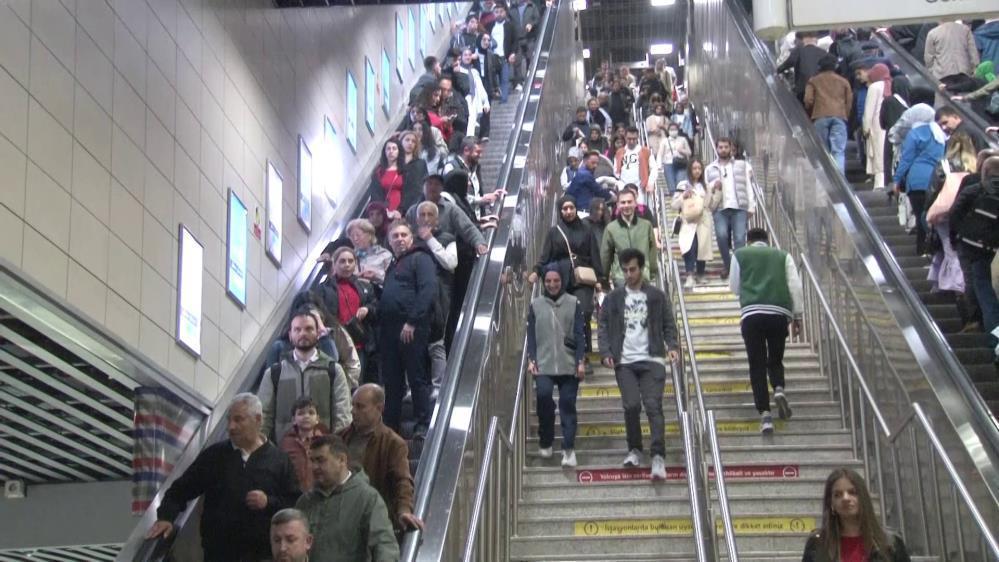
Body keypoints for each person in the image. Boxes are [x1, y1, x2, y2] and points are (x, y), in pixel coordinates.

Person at [147, 394, 301, 561]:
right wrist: (166, 517)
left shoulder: (279, 460)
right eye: (229, 420)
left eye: (238, 419)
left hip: (262, 555)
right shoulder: (214, 456)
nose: (231, 427)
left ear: (258, 419)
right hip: (218, 554)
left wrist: (268, 502)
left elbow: (294, 504)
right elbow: (180, 490)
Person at [597, 248, 680, 480]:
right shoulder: (613, 298)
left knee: (653, 405)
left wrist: (672, 346)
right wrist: (605, 352)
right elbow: (603, 326)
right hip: (624, 361)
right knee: (631, 405)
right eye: (624, 270)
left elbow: (668, 323)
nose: (629, 274)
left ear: (641, 268)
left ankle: (657, 455)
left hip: (652, 358)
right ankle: (634, 449)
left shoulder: (656, 296)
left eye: (632, 269)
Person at [729, 227, 803, 434]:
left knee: (756, 364)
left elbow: (734, 287)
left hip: (752, 314)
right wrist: (797, 316)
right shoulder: (782, 255)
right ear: (767, 240)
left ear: (748, 240)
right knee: (776, 358)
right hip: (778, 314)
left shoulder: (740, 254)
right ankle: (778, 387)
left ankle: (765, 415)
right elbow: (795, 286)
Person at [296, 435, 399, 562]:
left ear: (342, 460)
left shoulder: (367, 498)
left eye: (320, 460)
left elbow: (384, 544)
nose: (314, 467)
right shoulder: (305, 501)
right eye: (312, 461)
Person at [379, 221, 438, 436]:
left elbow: (428, 290)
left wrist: (412, 321)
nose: (400, 239)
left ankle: (424, 425)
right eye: (395, 236)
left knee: (417, 377)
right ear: (389, 241)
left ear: (411, 238)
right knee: (392, 380)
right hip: (389, 332)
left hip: (411, 328)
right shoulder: (393, 265)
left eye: (404, 234)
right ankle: (391, 427)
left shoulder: (420, 258)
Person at [339, 384, 423, 533]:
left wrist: (404, 510)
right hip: (341, 516)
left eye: (360, 407)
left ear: (379, 409)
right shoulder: (341, 437)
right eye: (352, 406)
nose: (353, 411)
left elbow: (402, 480)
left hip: (371, 520)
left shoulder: (393, 443)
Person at [260, 309, 353, 441]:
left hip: (323, 453)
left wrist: (335, 447)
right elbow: (264, 416)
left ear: (318, 333)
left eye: (309, 329)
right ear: (290, 335)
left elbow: (343, 415)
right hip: (284, 453)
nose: (303, 333)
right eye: (297, 329)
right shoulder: (275, 373)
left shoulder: (333, 370)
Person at [528, 264, 586, 468]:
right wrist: (531, 358)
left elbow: (580, 334)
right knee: (543, 398)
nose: (552, 284)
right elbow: (531, 336)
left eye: (556, 281)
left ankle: (568, 449)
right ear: (544, 282)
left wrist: (580, 361)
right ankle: (546, 440)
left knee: (568, 405)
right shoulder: (535, 305)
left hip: (568, 364)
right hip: (543, 364)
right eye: (549, 281)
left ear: (562, 281)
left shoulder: (573, 303)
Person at [531, 195, 604, 354]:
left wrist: (599, 279)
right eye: (565, 208)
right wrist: (536, 271)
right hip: (560, 281)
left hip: (582, 278)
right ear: (560, 210)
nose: (569, 211)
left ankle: (584, 352)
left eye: (571, 207)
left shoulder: (586, 230)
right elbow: (546, 256)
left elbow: (594, 254)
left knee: (583, 311)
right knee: (563, 316)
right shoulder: (554, 232)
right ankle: (570, 353)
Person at [802, 468, 911, 562]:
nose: (845, 498)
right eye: (837, 495)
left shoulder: (891, 543)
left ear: (863, 498)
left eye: (852, 492)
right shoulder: (817, 544)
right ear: (831, 504)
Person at [325, 247, 379, 385]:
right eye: (342, 261)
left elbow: (376, 306)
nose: (347, 265)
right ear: (335, 263)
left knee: (356, 385)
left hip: (360, 343)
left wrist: (367, 309)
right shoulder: (324, 288)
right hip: (335, 343)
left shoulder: (364, 286)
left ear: (355, 264)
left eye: (350, 261)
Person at [893, 115, 946, 256]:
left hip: (917, 180)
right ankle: (934, 253)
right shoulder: (941, 135)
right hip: (937, 180)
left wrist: (897, 180)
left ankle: (923, 250)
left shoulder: (915, 133)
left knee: (920, 216)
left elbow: (906, 159)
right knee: (932, 217)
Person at [706, 137, 756, 278]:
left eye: (726, 147)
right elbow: (707, 190)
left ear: (730, 148)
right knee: (721, 236)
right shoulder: (710, 168)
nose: (723, 150)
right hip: (719, 208)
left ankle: (739, 269)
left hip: (739, 207)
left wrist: (751, 206)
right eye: (720, 147)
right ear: (716, 149)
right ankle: (728, 266)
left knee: (740, 238)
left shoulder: (742, 165)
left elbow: (748, 185)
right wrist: (713, 186)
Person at [805, 55, 853, 173]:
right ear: (835, 66)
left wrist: (810, 112)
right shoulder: (843, 81)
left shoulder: (813, 81)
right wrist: (845, 114)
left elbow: (808, 100)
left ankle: (825, 180)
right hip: (839, 116)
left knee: (822, 151)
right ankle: (840, 180)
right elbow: (849, 101)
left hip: (820, 116)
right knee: (838, 151)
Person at [600, 188, 657, 287]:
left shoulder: (646, 225)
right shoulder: (611, 228)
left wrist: (651, 271)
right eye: (623, 202)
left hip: (643, 275)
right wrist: (604, 276)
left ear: (635, 203)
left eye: (629, 202)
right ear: (618, 205)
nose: (626, 205)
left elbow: (652, 250)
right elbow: (605, 255)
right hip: (621, 277)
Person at [672, 160, 713, 288]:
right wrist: (683, 196)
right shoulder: (683, 185)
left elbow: (708, 204)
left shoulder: (706, 186)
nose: (696, 171)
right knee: (689, 247)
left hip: (703, 220)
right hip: (687, 221)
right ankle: (690, 275)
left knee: (702, 247)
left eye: (699, 168)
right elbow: (673, 205)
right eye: (694, 168)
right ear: (690, 169)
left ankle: (700, 274)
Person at [279, 396, 328, 491]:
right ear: (293, 420)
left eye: (311, 413)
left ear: (317, 418)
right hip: (293, 494)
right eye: (301, 413)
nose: (306, 416)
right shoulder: (286, 443)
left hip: (320, 493)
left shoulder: (325, 441)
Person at [862, 63, 892, 189]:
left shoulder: (874, 87)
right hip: (889, 125)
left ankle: (879, 184)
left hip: (876, 125)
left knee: (878, 154)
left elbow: (869, 110)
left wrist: (866, 128)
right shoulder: (891, 84)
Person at [777, 31, 828, 102]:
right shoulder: (823, 53)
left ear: (803, 39)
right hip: (819, 89)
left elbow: (789, 62)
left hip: (802, 88)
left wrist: (778, 70)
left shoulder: (799, 50)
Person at [347, 218, 394, 286]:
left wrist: (376, 277)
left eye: (358, 235)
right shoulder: (348, 258)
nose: (355, 239)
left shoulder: (384, 255)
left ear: (369, 235)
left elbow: (392, 282)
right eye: (351, 236)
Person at [369, 139, 409, 214]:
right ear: (384, 152)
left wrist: (400, 210)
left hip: (401, 210)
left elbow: (408, 193)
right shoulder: (378, 172)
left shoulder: (405, 171)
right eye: (388, 149)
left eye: (394, 148)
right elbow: (375, 193)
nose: (391, 151)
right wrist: (383, 210)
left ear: (399, 151)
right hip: (383, 210)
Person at [486, 1, 516, 104]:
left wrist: (513, 53)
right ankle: (497, 94)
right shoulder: (490, 26)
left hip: (505, 56)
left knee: (505, 78)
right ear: (493, 14)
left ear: (505, 13)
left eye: (501, 11)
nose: (499, 14)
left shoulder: (510, 26)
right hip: (492, 57)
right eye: (496, 12)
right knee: (495, 79)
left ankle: (504, 99)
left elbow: (515, 41)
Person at [614, 126, 652, 204]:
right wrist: (619, 182)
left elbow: (654, 168)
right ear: (625, 137)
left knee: (641, 207)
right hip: (624, 185)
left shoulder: (645, 151)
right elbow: (615, 170)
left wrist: (650, 182)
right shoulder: (619, 152)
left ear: (638, 137)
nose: (631, 141)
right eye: (629, 139)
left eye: (634, 139)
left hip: (640, 186)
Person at [658, 122, 692, 195]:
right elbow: (660, 154)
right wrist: (659, 165)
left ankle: (681, 199)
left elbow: (689, 152)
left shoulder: (683, 139)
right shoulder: (664, 141)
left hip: (681, 163)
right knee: (671, 186)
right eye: (671, 129)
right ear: (668, 130)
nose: (673, 131)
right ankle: (674, 201)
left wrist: (682, 151)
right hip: (668, 164)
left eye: (675, 129)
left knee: (681, 185)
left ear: (678, 130)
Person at [399, 130, 430, 209]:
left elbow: (425, 183)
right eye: (407, 140)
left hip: (415, 204)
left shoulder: (421, 163)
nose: (410, 143)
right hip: (397, 203)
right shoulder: (395, 162)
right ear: (401, 141)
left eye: (413, 141)